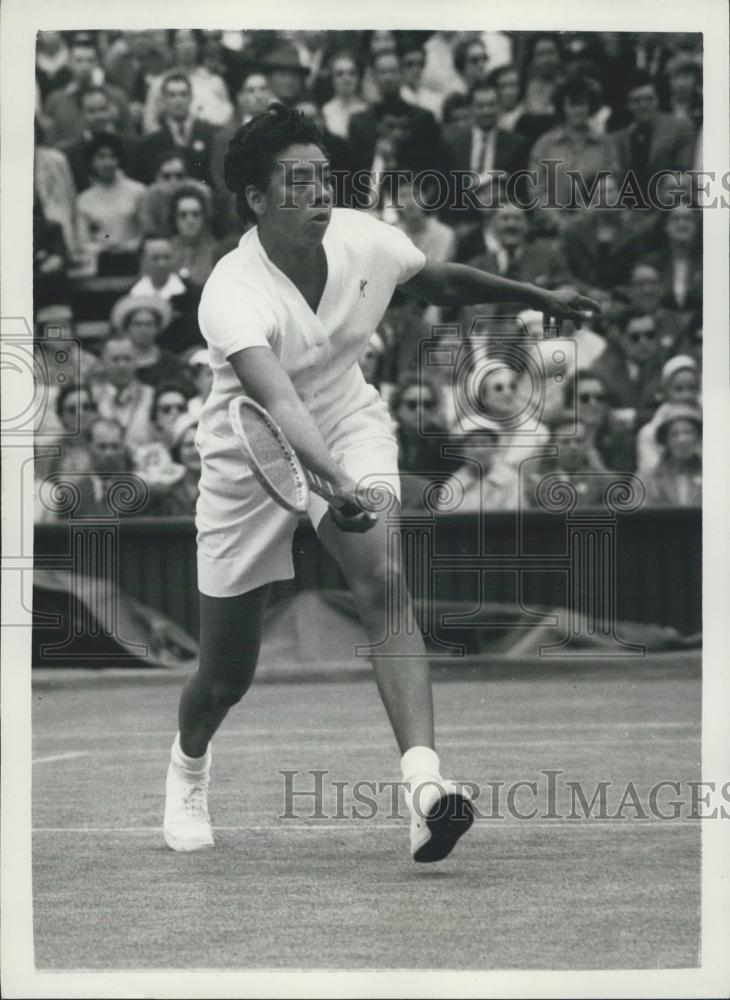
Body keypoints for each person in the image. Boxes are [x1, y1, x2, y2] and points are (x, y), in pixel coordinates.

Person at [162, 102, 597, 861]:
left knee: (384, 580)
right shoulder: (231, 291)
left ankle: (425, 789)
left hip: (350, 425)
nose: (319, 195)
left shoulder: (361, 237)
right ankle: (187, 765)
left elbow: (438, 280)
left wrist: (537, 297)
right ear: (257, 199)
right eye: (296, 183)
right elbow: (279, 401)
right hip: (250, 461)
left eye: (324, 178)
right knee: (226, 674)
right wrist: (329, 485)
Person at [76, 132, 145, 276]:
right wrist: (103, 247)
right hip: (100, 267)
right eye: (101, 157)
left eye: (112, 157)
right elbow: (82, 242)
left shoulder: (138, 191)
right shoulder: (84, 199)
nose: (107, 162)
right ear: (92, 161)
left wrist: (128, 246)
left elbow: (145, 232)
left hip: (134, 263)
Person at [110, 294, 191, 389]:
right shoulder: (117, 361)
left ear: (157, 328)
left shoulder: (170, 362)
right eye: (137, 324)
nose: (143, 330)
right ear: (127, 328)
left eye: (148, 324)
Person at [642, 404, 701, 507]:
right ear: (666, 441)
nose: (682, 440)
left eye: (688, 432)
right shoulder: (646, 479)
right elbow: (634, 519)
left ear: (698, 437)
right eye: (674, 434)